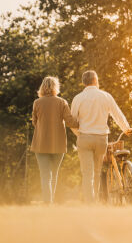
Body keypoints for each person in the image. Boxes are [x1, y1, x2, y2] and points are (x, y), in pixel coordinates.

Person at [71, 70, 132, 203]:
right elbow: (117, 114)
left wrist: (79, 133)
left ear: (84, 82)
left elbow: (72, 122)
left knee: (88, 174)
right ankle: (95, 202)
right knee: (97, 172)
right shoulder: (105, 96)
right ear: (96, 80)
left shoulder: (78, 98)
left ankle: (90, 203)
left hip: (84, 138)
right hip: (101, 139)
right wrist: (126, 128)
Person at [31, 76, 78, 204]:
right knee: (54, 174)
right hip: (58, 144)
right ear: (56, 87)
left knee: (45, 175)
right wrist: (86, 122)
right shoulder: (62, 102)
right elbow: (71, 122)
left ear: (42, 87)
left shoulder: (37, 103)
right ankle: (50, 202)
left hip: (40, 144)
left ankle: (48, 203)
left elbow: (34, 122)